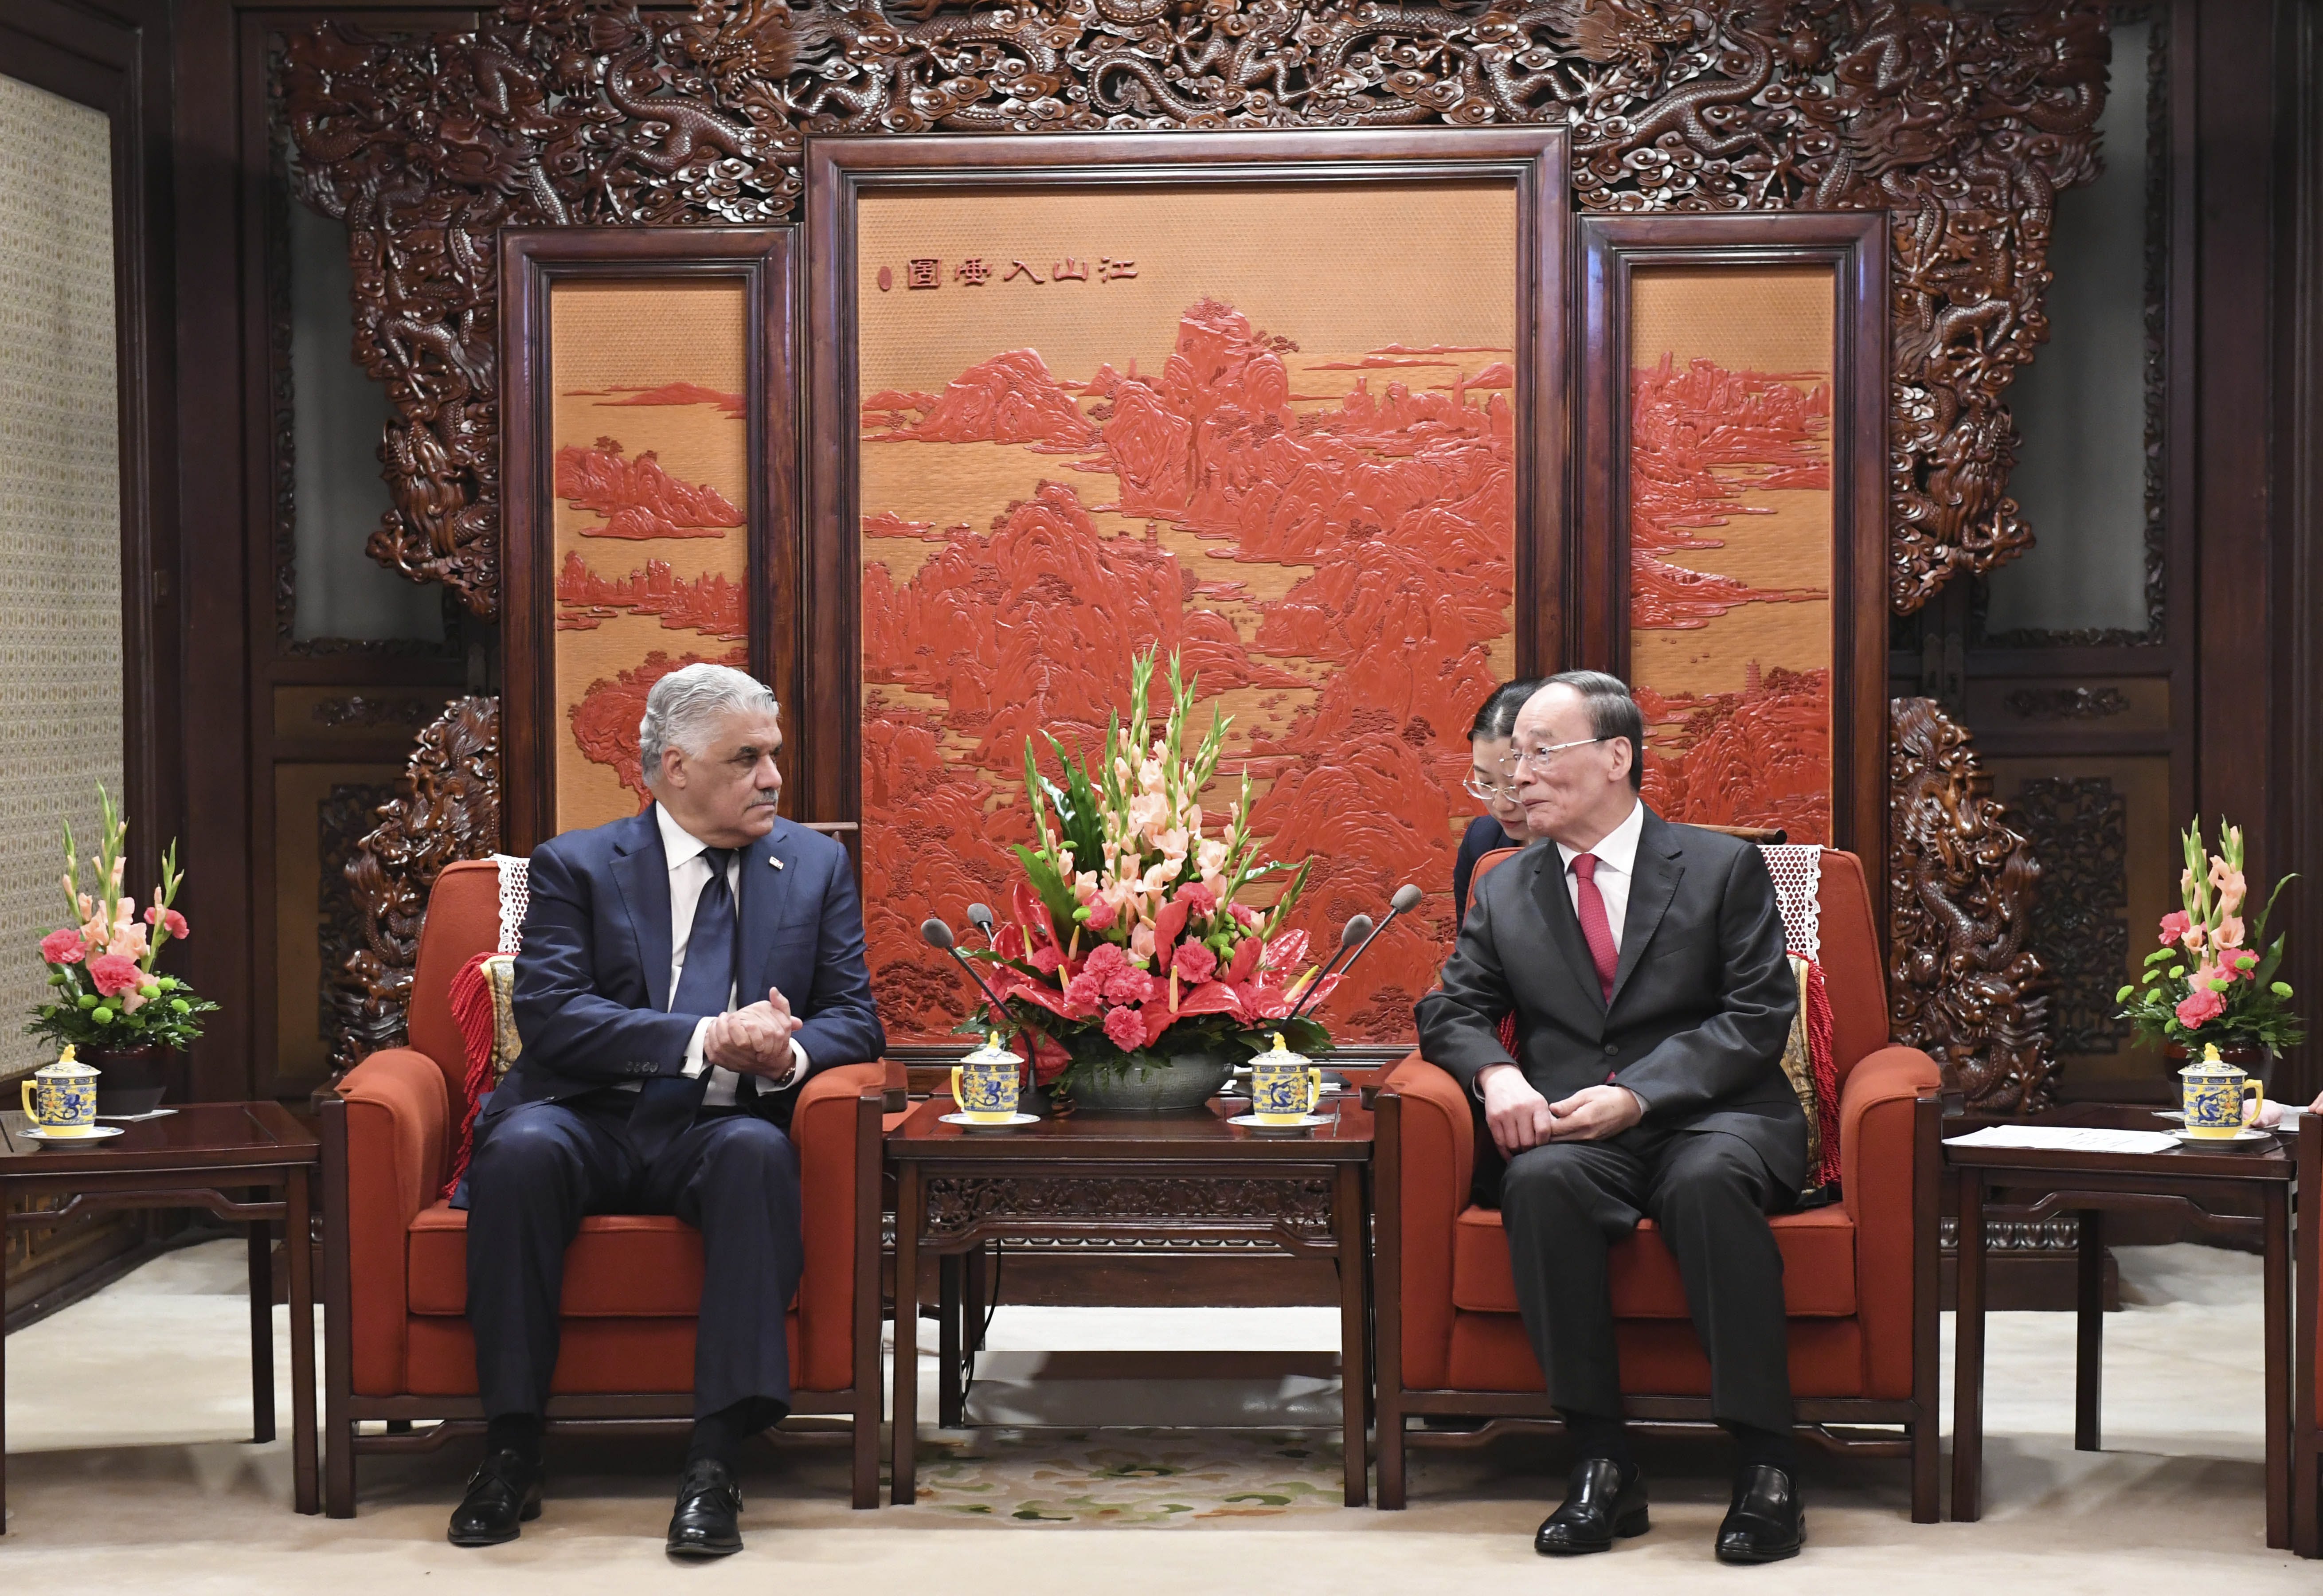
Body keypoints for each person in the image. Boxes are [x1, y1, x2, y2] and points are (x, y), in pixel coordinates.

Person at [449, 663, 884, 1557]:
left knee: (758, 1160)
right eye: (748, 759)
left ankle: (716, 1461)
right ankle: (511, 1447)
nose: (772, 779)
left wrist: (786, 1053)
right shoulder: (577, 866)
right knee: (521, 1151)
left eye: (775, 757)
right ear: (674, 769)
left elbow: (855, 1017)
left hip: (721, 1125)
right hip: (587, 1116)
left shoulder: (812, 865)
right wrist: (706, 1037)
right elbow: (556, 1019)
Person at [1413, 670, 1807, 1565]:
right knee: (1540, 1182)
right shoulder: (1505, 887)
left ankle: (1766, 1465)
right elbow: (1451, 1011)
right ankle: (1599, 1462)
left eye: (1541, 753)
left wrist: (1640, 1093)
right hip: (1567, 1127)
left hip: (1711, 1116)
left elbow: (1754, 1017)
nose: (1519, 777)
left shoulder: (1717, 867)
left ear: (1616, 757)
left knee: (1708, 1184)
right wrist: (1498, 1081)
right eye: (1513, 759)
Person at [1452, 677, 1543, 927]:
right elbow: (1469, 957)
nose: (1502, 806)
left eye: (1516, 786)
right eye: (1486, 783)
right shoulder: (1481, 842)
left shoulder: (1596, 847)